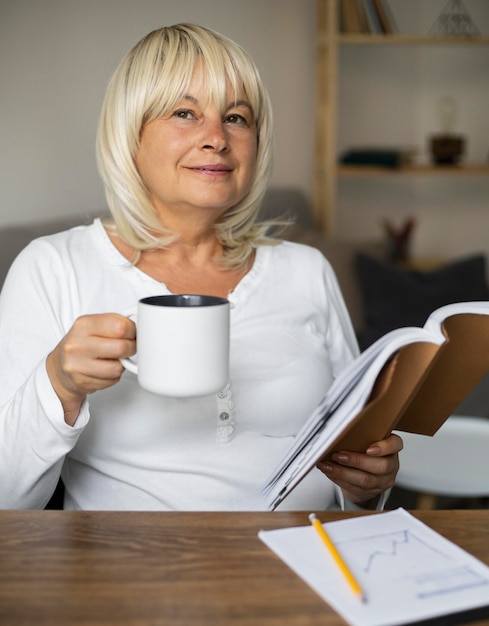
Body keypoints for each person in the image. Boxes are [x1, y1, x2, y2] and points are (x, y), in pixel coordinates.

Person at [0, 24, 401, 511]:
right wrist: (59, 385)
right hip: (136, 572)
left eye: (236, 117)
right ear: (132, 136)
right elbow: (7, 502)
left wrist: (366, 488)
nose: (216, 138)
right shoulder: (54, 268)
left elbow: (354, 467)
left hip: (307, 562)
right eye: (185, 113)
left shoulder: (307, 271)